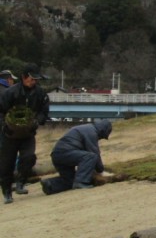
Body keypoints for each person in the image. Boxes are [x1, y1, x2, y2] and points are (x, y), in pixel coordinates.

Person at [0, 64, 51, 204]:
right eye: (31, 79)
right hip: (9, 134)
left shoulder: (41, 93)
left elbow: (44, 111)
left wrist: (37, 121)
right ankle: (7, 192)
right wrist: (5, 126)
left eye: (36, 79)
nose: (34, 82)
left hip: (28, 134)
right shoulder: (10, 93)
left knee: (28, 157)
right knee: (6, 164)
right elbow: (1, 111)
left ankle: (21, 182)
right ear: (23, 77)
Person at [42, 120, 113, 194]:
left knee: (70, 180)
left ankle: (50, 185)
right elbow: (94, 152)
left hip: (57, 155)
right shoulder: (91, 132)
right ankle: (81, 182)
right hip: (66, 153)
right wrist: (101, 171)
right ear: (102, 131)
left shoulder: (86, 128)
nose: (100, 138)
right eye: (102, 137)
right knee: (90, 156)